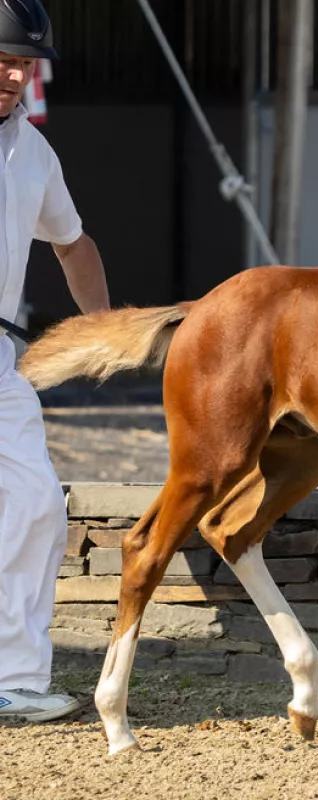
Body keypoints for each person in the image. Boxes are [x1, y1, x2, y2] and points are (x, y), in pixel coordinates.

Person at [0, 0, 110, 722]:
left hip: (0, 355)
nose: (15, 74)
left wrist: (104, 330)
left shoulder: (34, 153)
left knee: (38, 501)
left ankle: (15, 681)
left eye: (24, 64)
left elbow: (72, 243)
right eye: (4, 59)